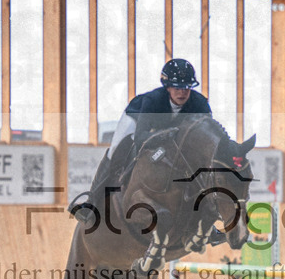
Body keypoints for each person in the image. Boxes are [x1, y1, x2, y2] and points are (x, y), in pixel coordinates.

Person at [72, 58, 213, 224]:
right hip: (136, 118)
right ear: (167, 87)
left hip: (170, 131)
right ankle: (91, 202)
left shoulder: (200, 103)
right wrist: (164, 135)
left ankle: (208, 218)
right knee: (116, 150)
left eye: (187, 88)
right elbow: (140, 138)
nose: (182, 93)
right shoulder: (152, 101)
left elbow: (207, 137)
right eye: (177, 87)